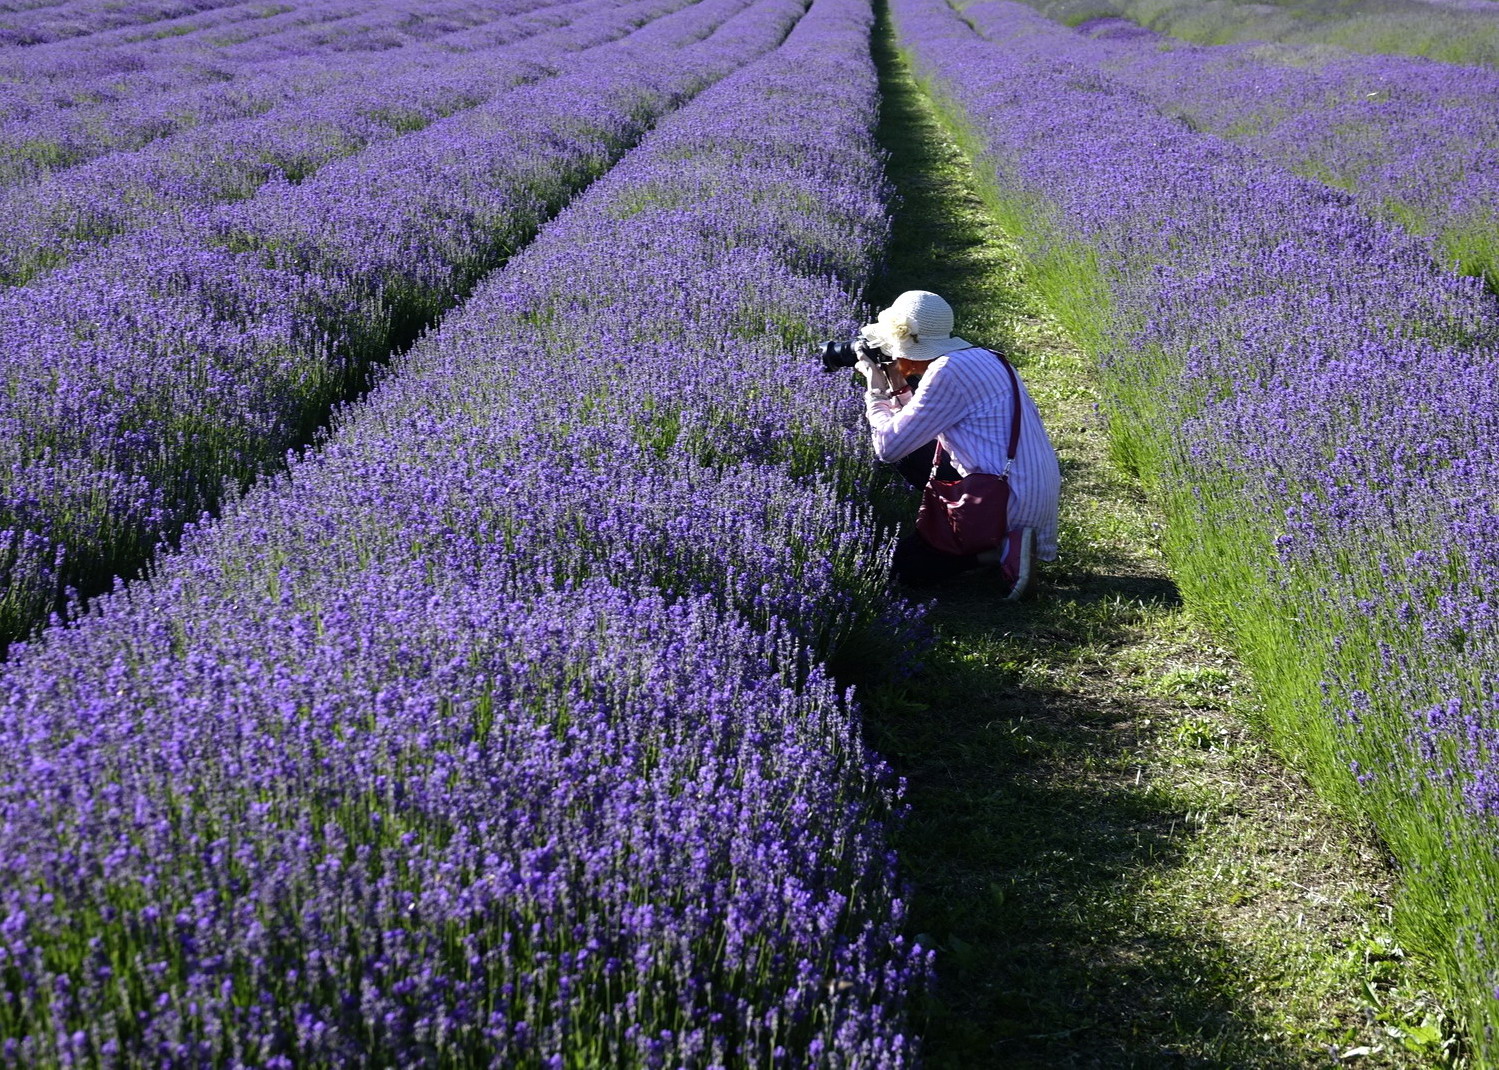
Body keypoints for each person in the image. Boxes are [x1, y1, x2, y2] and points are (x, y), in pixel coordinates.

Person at [854, 289, 1060, 596]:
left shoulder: (945, 371)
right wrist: (897, 384)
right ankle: (996, 544)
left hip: (1004, 500)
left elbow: (888, 447)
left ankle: (995, 549)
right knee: (912, 448)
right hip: (1028, 486)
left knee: (898, 568)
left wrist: (875, 390)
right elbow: (922, 422)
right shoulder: (986, 357)